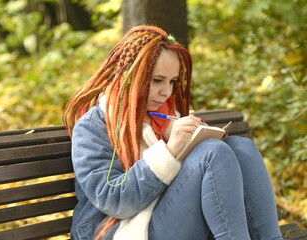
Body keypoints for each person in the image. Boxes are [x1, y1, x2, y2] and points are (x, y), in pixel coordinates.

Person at [63, 25, 282, 240]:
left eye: (172, 81)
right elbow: (113, 201)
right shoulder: (95, 126)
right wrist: (170, 151)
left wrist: (192, 142)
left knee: (240, 147)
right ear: (130, 75)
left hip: (158, 214)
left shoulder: (164, 116)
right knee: (212, 152)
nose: (166, 92)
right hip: (118, 230)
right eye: (157, 80)